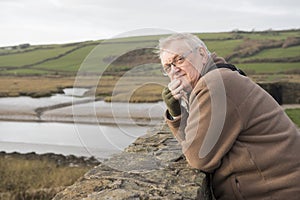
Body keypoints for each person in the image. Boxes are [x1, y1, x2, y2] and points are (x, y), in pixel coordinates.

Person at [159, 33, 300, 199]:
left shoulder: (215, 84)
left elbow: (199, 158)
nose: (174, 70)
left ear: (202, 54)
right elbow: (196, 142)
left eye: (179, 59)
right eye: (168, 67)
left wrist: (180, 116)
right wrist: (177, 113)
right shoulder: (219, 76)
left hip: (273, 192)